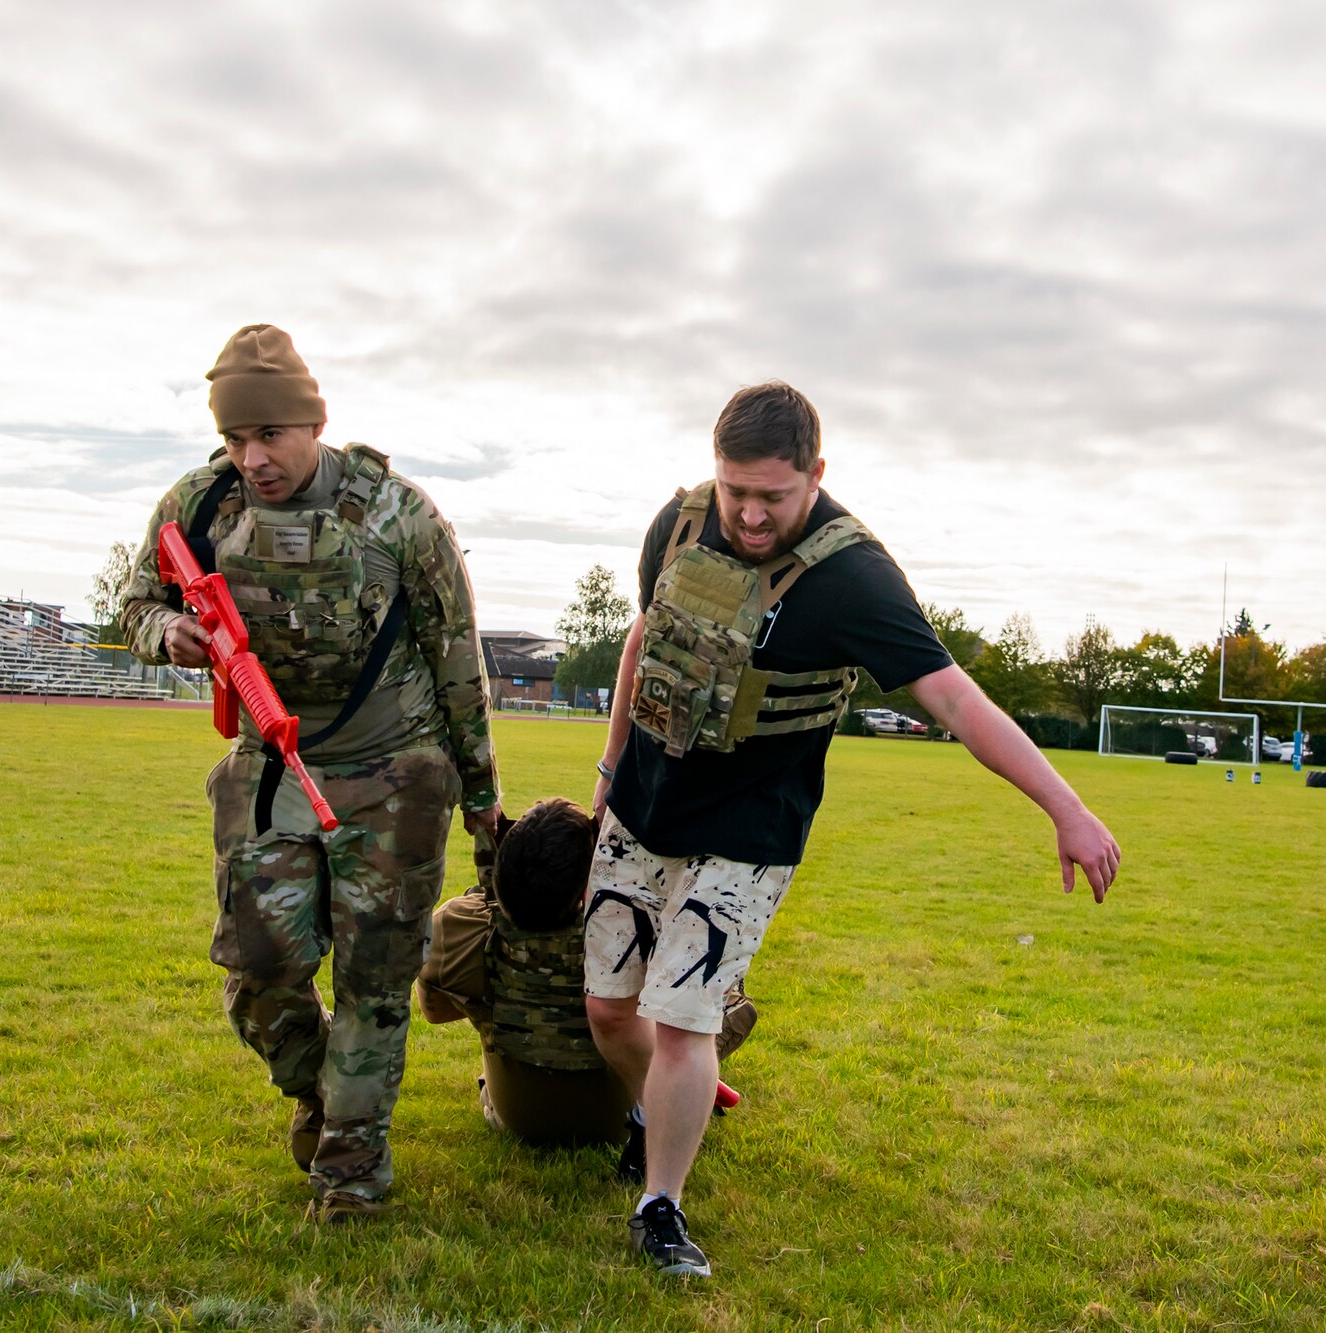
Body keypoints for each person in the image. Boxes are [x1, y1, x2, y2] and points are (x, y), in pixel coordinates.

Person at [585, 381, 1122, 1276]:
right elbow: (644, 641)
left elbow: (953, 696)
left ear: (816, 474)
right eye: (735, 491)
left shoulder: (855, 576)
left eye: (773, 496)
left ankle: (660, 1203)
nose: (750, 516)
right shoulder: (676, 527)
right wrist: (606, 770)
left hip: (753, 825)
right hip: (643, 801)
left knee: (679, 1019)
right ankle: (663, 1103)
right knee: (610, 1009)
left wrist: (1066, 806)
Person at [121, 324, 501, 1222]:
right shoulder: (197, 506)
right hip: (270, 768)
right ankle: (327, 1095)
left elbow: (457, 656)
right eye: (234, 440)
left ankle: (351, 1178)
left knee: (373, 984)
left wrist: (480, 796)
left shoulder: (398, 512)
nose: (252, 458)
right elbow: (136, 600)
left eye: (270, 437)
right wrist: (162, 633)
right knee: (258, 973)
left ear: (313, 423)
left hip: (395, 767)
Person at [416, 798, 755, 1147]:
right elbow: (721, 1002)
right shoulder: (639, 933)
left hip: (520, 1115)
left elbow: (435, 1010)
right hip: (625, 1119)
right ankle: (681, 1086)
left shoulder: (466, 927)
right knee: (726, 1006)